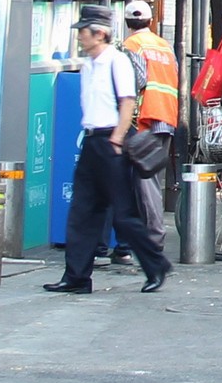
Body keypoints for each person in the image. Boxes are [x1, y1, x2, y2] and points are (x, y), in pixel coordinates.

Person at [48, 15, 163, 293]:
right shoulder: (88, 65)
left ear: (99, 34)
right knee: (82, 211)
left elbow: (127, 101)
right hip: (92, 141)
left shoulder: (116, 61)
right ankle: (76, 276)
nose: (79, 37)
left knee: (123, 212)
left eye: (83, 32)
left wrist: (117, 138)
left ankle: (156, 267)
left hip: (111, 140)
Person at [118, 0, 181, 267]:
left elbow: (138, 80)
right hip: (166, 116)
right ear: (150, 20)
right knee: (151, 179)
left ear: (126, 22)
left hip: (143, 119)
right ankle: (138, 241)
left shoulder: (131, 45)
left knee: (143, 183)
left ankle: (149, 242)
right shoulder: (164, 45)